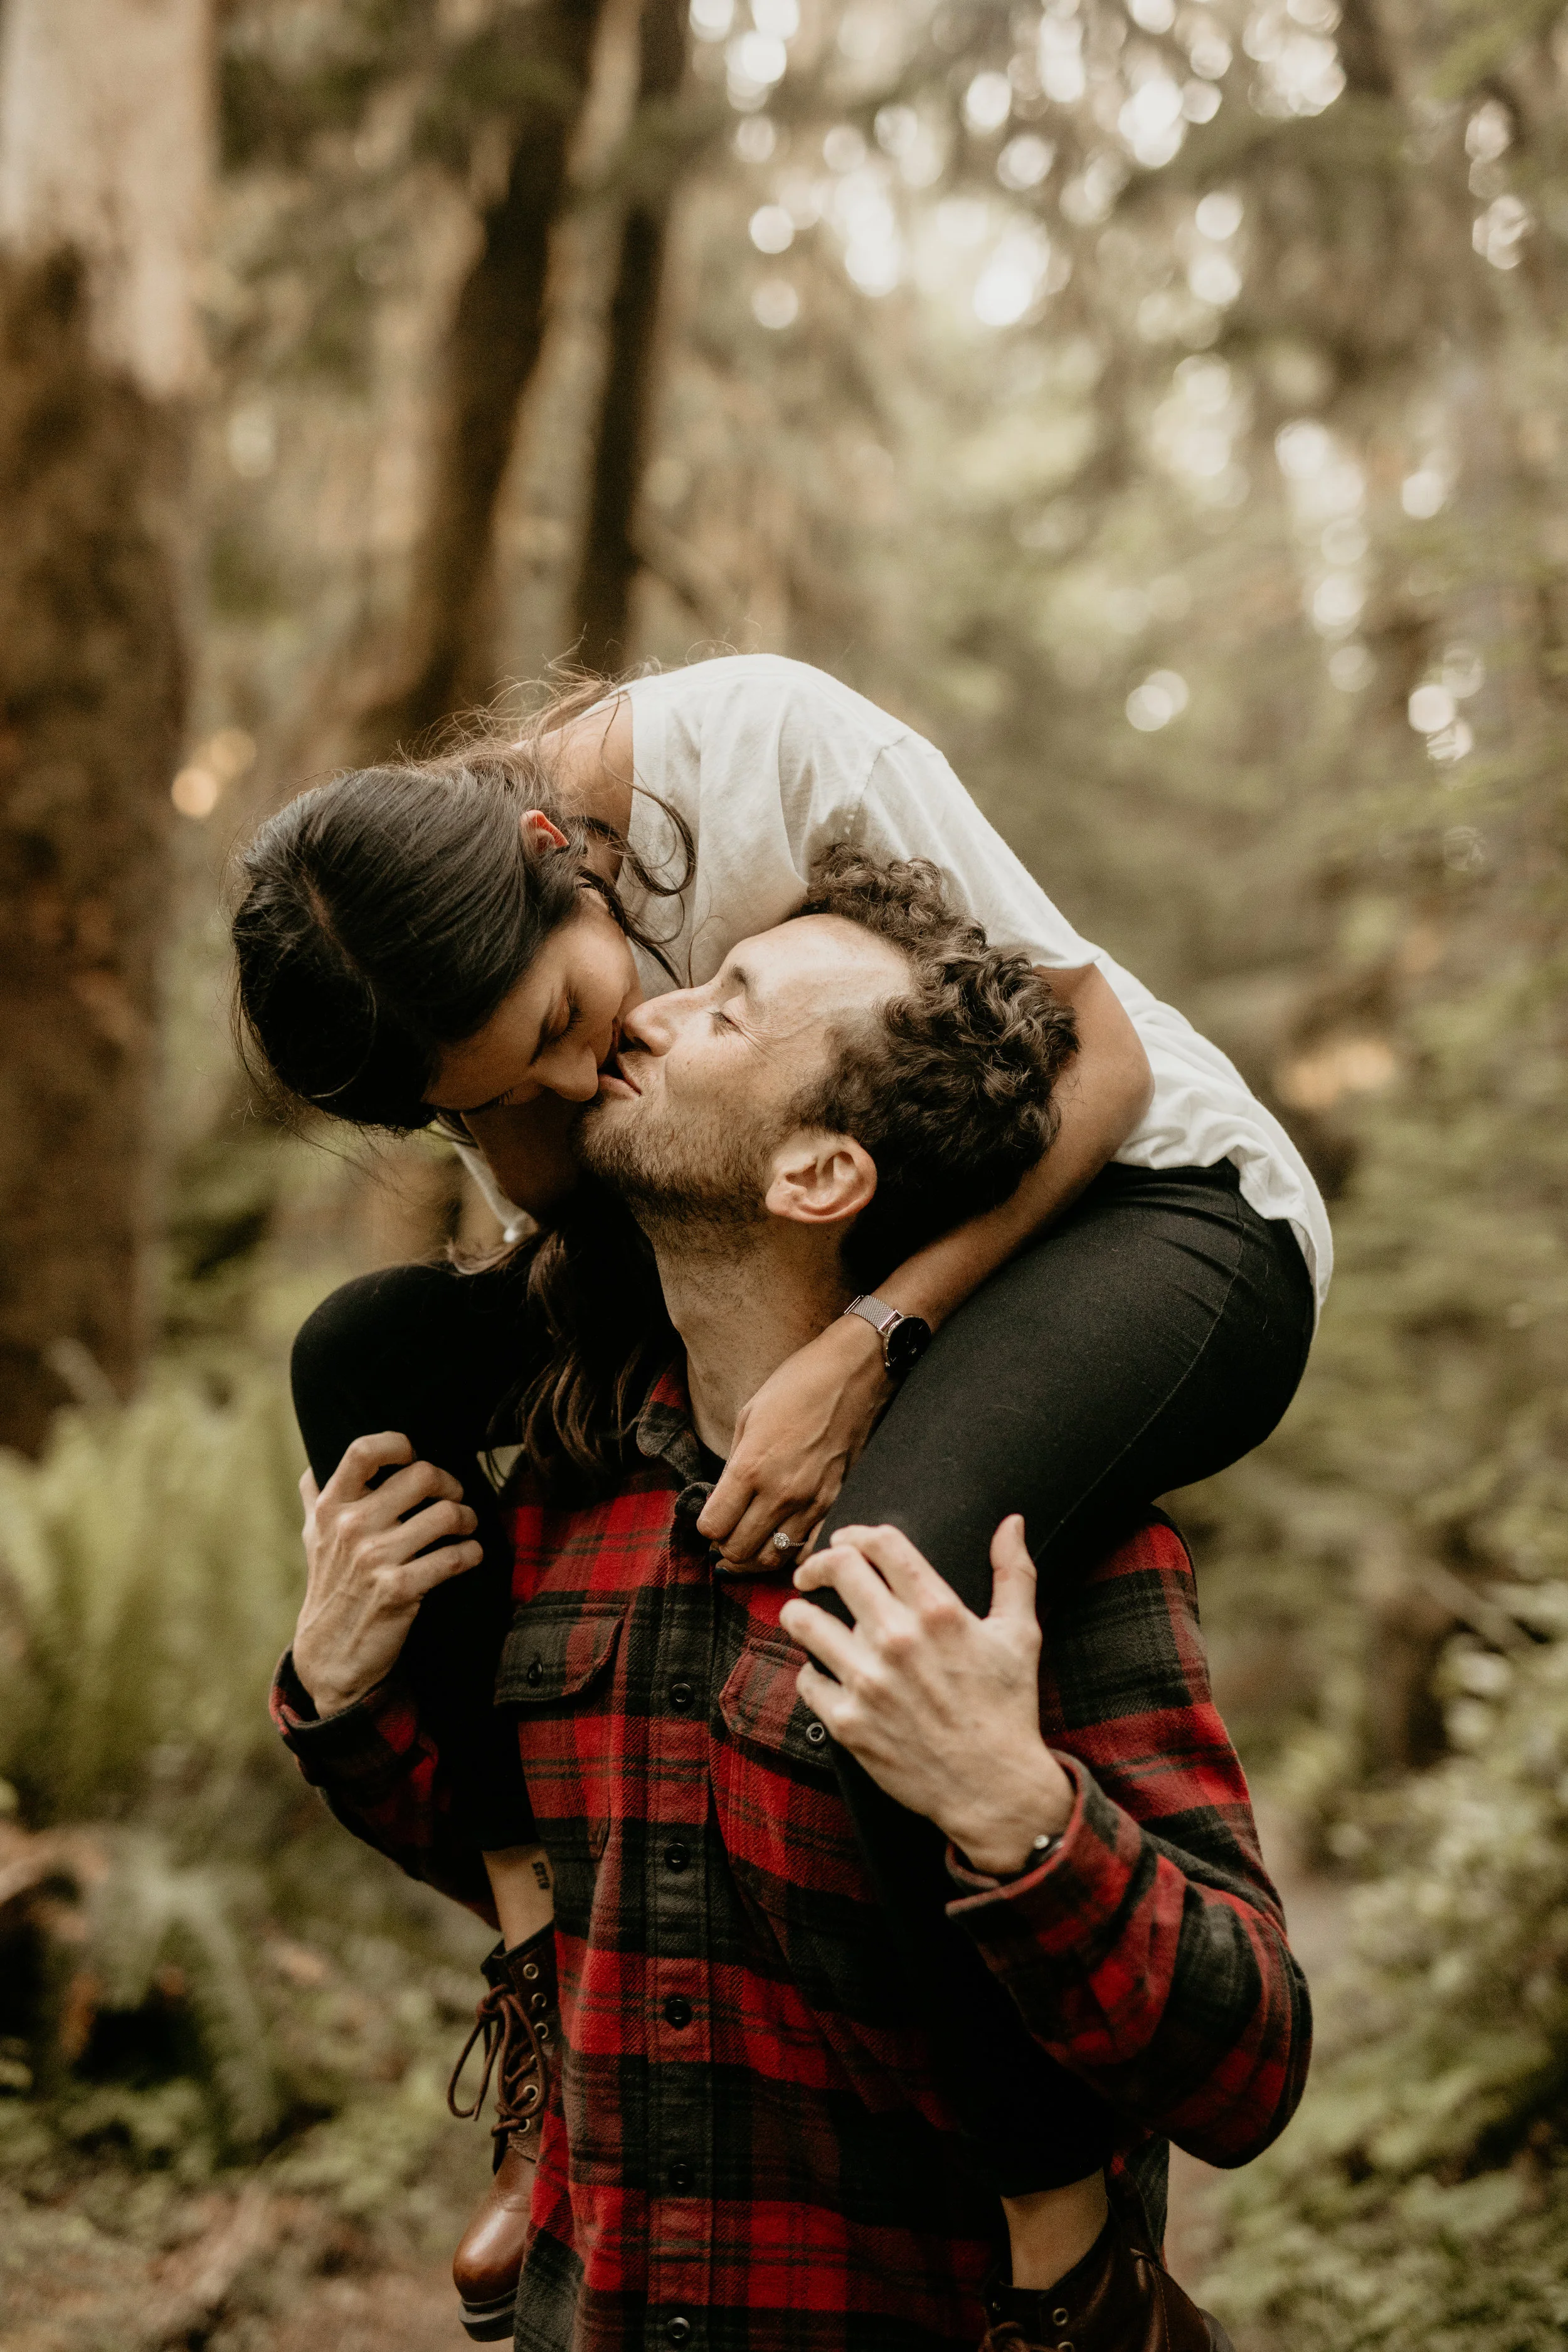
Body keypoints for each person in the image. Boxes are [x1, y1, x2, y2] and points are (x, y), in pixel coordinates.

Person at [239, 654, 1323, 2268]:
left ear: (556, 848)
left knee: (877, 1575)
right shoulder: (448, 987)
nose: (562, 1078)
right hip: (842, 1216)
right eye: (488, 1099)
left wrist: (871, 1337)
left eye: (557, 1025)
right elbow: (572, 1210)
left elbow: (1097, 1056)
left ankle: (1051, 2214)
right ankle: (540, 1982)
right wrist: (341, 1683)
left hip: (1155, 1205)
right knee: (355, 1351)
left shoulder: (767, 746)